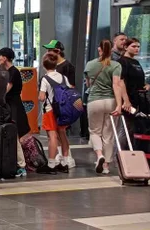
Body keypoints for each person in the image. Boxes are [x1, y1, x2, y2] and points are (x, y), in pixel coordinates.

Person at [83, 40, 123, 175]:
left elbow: (88, 84)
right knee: (108, 134)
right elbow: (116, 85)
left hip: (94, 101)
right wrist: (119, 105)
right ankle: (106, 165)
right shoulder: (116, 65)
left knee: (95, 132)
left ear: (99, 49)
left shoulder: (90, 64)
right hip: (111, 101)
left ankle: (99, 155)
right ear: (111, 50)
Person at [42, 40, 76, 168]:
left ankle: (64, 158)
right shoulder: (56, 69)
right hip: (58, 106)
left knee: (57, 133)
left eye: (50, 50)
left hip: (57, 107)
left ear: (57, 51)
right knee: (58, 133)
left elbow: (71, 87)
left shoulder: (67, 67)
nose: (48, 52)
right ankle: (63, 157)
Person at [0, 48, 29, 178]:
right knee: (12, 135)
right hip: (10, 106)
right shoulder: (7, 72)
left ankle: (21, 165)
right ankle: (16, 164)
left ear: (5, 58)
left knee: (14, 135)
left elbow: (5, 90)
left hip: (13, 107)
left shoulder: (13, 72)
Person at [119, 37, 149, 112]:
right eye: (134, 46)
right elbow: (121, 81)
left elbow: (137, 78)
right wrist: (126, 100)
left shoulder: (136, 62)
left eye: (138, 47)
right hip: (128, 98)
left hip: (138, 98)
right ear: (126, 47)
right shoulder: (122, 61)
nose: (137, 49)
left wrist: (146, 85)